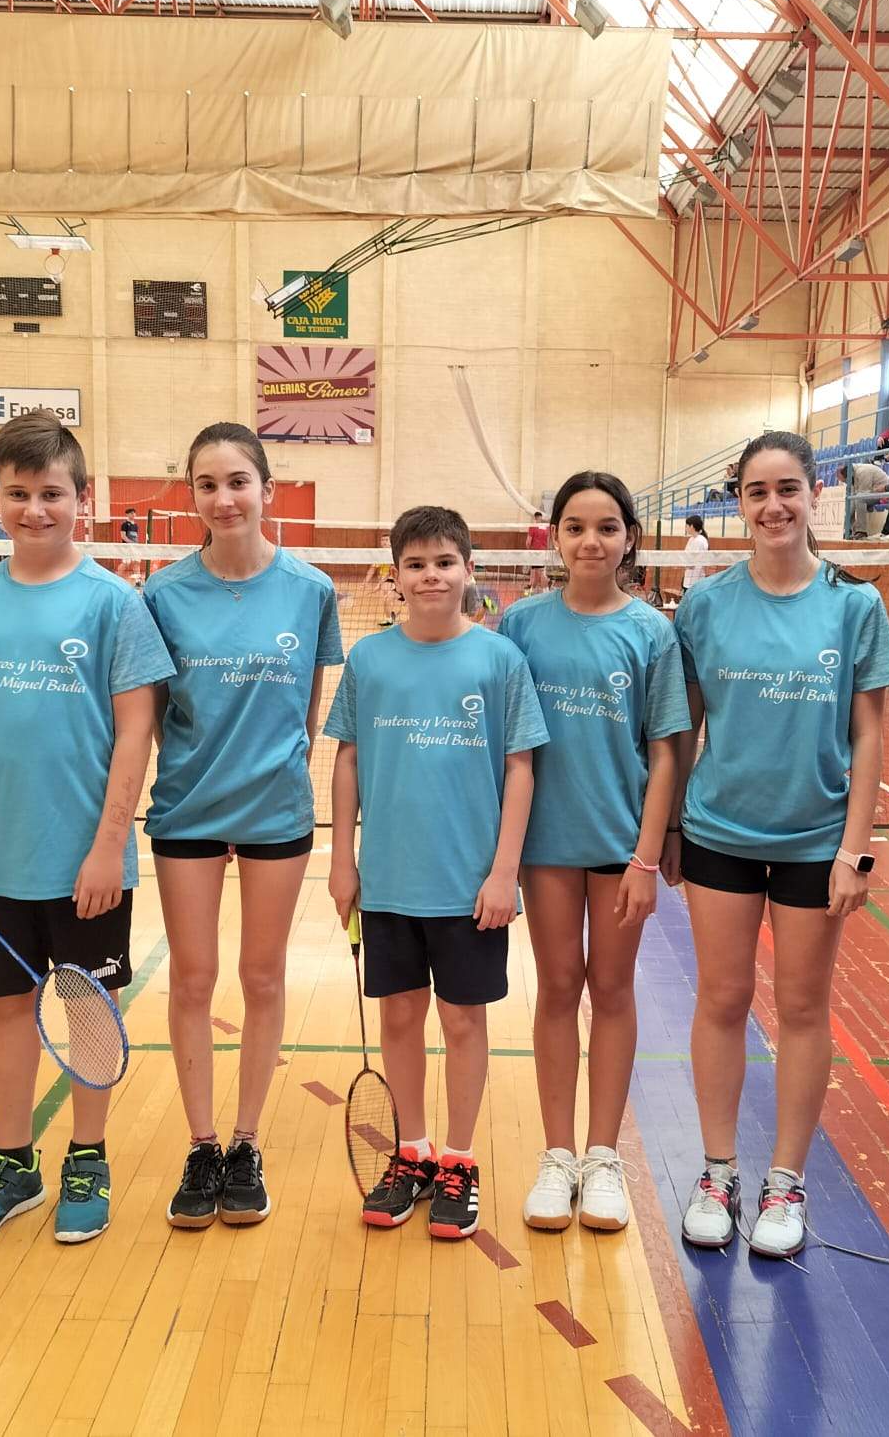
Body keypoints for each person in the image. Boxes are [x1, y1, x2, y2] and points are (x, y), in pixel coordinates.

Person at [0, 412, 174, 1248]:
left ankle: (89, 1158)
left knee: (89, 1010)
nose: (35, 510)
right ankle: (12, 1163)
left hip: (86, 862)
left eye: (52, 494)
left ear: (84, 499)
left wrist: (110, 845)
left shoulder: (116, 604)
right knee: (5, 1010)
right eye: (19, 494)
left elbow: (136, 732)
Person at [662, 431, 889, 1258]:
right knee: (722, 1000)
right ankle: (718, 1170)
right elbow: (682, 727)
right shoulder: (706, 606)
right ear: (738, 501)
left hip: (815, 841)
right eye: (756, 492)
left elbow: (871, 736)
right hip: (720, 831)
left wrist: (855, 852)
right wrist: (668, 833)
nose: (773, 506)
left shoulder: (854, 605)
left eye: (788, 489)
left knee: (801, 1008)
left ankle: (787, 1181)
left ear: (814, 495)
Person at [326, 505, 548, 1240]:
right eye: (416, 564)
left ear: (469, 571)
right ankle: (412, 1151)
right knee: (398, 1017)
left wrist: (503, 871)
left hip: (468, 883)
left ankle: (458, 1158)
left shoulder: (499, 660)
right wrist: (341, 859)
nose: (431, 576)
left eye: (445, 563)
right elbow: (348, 758)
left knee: (461, 1021)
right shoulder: (369, 661)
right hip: (388, 879)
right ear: (395, 577)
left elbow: (521, 768)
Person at [142, 423, 343, 1231]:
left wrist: (272, 767)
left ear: (266, 487)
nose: (223, 499)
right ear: (191, 494)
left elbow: (309, 703)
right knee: (192, 980)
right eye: (205, 484)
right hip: (188, 806)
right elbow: (151, 714)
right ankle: (200, 1145)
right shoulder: (160, 594)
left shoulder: (311, 589)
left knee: (262, 978)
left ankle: (245, 1142)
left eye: (237, 481)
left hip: (276, 811)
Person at [503, 473, 690, 1234]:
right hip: (546, 845)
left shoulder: (650, 631)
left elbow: (668, 750)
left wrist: (648, 859)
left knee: (611, 992)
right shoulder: (519, 625)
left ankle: (603, 1157)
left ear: (629, 539)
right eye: (575, 526)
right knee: (556, 988)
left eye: (607, 527)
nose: (590, 541)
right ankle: (557, 1157)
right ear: (553, 537)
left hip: (620, 847)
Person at [681, 514, 712, 592]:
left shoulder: (700, 541)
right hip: (688, 578)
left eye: (686, 526)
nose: (685, 528)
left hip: (696, 580)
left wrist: (686, 564)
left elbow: (692, 562)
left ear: (691, 526)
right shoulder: (691, 539)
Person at [527, 508, 549, 592]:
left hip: (535, 552)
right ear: (540, 517)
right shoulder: (545, 528)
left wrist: (528, 550)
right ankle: (532, 588)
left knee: (538, 571)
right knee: (536, 570)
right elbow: (547, 539)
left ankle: (545, 587)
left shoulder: (533, 527)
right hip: (543, 552)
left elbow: (528, 541)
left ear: (535, 518)